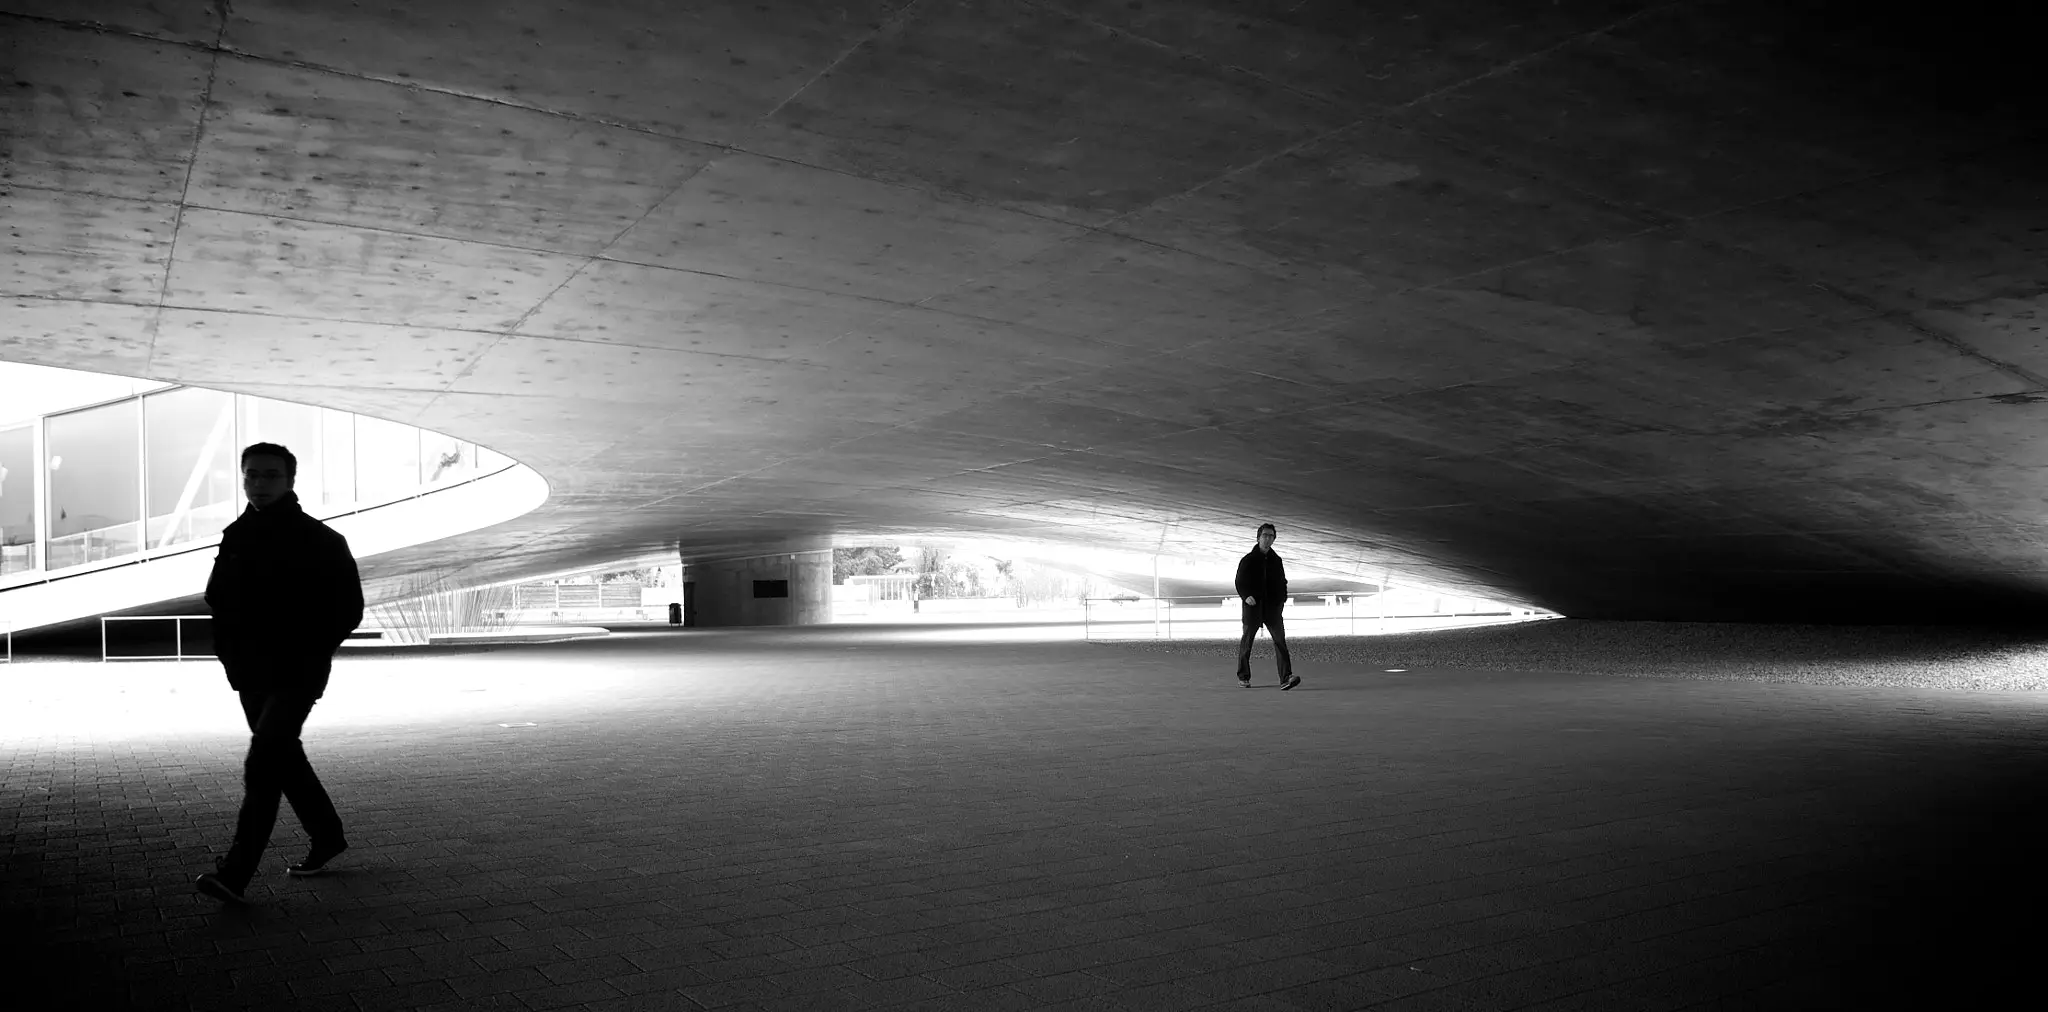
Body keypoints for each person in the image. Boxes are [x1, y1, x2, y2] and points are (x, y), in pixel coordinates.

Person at [194, 443, 364, 904]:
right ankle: (327, 836)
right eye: (251, 475)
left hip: (296, 673)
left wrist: (308, 652)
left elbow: (348, 610)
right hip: (249, 673)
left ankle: (235, 873)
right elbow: (217, 599)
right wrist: (229, 654)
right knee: (283, 757)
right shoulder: (236, 535)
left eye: (270, 475)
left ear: (290, 480)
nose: (259, 484)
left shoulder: (321, 541)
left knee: (262, 762)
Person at [1234, 523, 1298, 690]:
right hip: (1253, 609)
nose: (1268, 538)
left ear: (1274, 539)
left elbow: (1282, 582)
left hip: (1272, 609)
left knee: (1280, 642)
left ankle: (1286, 678)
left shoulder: (1277, 561)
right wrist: (1246, 596)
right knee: (1247, 643)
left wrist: (1282, 600)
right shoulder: (1247, 560)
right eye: (1265, 535)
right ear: (1258, 537)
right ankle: (1243, 677)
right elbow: (1239, 582)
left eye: (1271, 536)